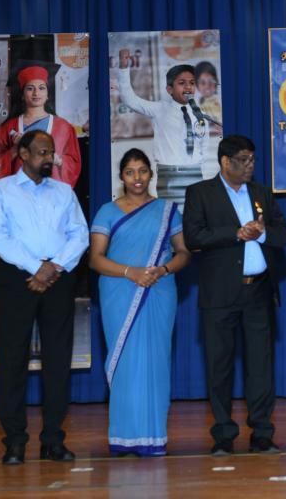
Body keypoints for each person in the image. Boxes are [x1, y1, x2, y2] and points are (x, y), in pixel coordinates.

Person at [0, 130, 89, 465]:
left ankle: (53, 440)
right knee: (12, 361)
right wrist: (36, 267)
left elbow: (80, 234)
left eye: (51, 152)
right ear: (23, 154)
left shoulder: (63, 191)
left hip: (58, 278)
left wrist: (53, 267)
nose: (49, 158)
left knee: (57, 362)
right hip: (19, 279)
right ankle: (15, 442)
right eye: (42, 152)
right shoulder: (1, 190)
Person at [182, 135, 286, 456]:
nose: (250, 165)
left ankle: (262, 433)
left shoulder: (261, 193)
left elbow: (283, 234)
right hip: (219, 294)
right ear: (225, 162)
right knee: (219, 367)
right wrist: (236, 233)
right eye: (244, 160)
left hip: (258, 292)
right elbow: (193, 237)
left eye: (253, 159)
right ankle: (223, 435)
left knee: (261, 366)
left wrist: (263, 233)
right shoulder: (200, 193)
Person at [89, 148, 192, 457]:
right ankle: (123, 438)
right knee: (125, 362)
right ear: (121, 176)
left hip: (158, 290)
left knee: (155, 362)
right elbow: (95, 259)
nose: (137, 177)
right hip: (119, 291)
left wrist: (162, 270)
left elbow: (184, 253)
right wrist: (130, 272)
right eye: (130, 172)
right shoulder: (107, 212)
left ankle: (153, 437)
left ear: (151, 174)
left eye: (143, 171)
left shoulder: (167, 211)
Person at [116, 49, 210, 213]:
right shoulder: (160, 109)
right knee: (170, 219)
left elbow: (204, 144)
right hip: (170, 175)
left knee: (195, 218)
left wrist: (197, 166)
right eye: (182, 83)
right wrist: (124, 68)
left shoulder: (200, 114)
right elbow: (130, 100)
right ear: (169, 89)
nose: (188, 87)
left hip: (195, 173)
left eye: (192, 83)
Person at [0, 64, 82, 188]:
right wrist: (15, 149)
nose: (36, 93)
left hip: (51, 193)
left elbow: (74, 164)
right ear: (22, 94)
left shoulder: (64, 127)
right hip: (18, 193)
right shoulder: (8, 128)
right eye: (30, 88)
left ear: (47, 94)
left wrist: (58, 160)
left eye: (41, 88)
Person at [194, 60, 224, 125]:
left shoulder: (220, 101)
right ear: (197, 85)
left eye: (211, 81)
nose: (207, 86)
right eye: (202, 83)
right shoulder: (197, 103)